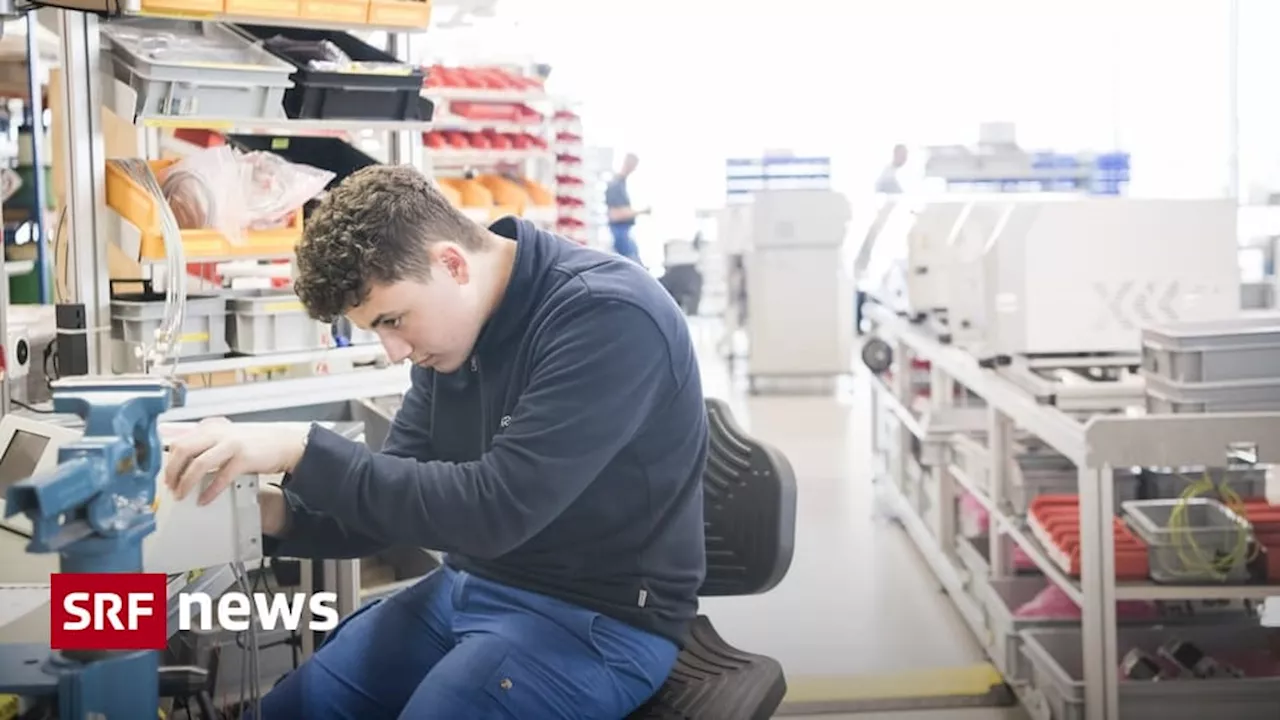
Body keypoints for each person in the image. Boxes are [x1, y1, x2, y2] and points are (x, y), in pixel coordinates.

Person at [164, 165, 709, 719]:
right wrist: (251, 510)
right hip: (471, 588)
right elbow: (384, 508)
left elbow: (495, 510)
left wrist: (302, 447)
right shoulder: (451, 336)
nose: (395, 351)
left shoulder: (608, 317)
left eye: (394, 320)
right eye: (378, 330)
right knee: (296, 709)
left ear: (451, 263)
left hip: (598, 621)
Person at [605, 152, 650, 263]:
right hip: (619, 234)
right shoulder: (615, 185)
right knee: (632, 264)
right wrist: (641, 212)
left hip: (624, 233)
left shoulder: (621, 184)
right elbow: (615, 215)